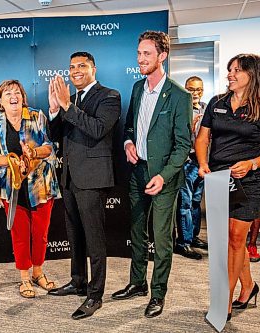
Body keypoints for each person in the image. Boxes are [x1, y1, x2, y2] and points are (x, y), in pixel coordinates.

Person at [112, 31, 192, 318]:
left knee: (161, 238)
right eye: (138, 53)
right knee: (136, 230)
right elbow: (131, 127)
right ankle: (137, 284)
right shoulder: (137, 88)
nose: (140, 59)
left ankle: (158, 293)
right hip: (138, 171)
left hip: (164, 177)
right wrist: (128, 143)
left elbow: (184, 145)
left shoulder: (179, 96)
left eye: (147, 53)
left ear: (162, 56)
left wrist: (165, 176)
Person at [195, 54, 260, 321]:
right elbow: (203, 138)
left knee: (233, 240)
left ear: (253, 75)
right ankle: (248, 287)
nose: (230, 74)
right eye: (230, 69)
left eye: (237, 70)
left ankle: (225, 303)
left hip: (250, 181)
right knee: (230, 241)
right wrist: (202, 163)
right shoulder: (216, 102)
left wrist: (252, 163)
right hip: (219, 179)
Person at [47, 51, 121, 320]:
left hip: (93, 178)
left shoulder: (109, 96)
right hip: (69, 176)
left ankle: (95, 294)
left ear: (93, 68)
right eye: (71, 67)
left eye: (81, 66)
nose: (75, 70)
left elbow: (98, 129)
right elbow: (56, 137)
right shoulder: (71, 99)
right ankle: (77, 281)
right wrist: (55, 111)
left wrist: (67, 107)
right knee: (74, 233)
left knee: (94, 238)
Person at [0, 79, 61, 298]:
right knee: (20, 235)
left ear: (23, 97)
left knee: (40, 234)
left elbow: (50, 147)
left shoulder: (37, 116)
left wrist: (32, 155)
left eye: (17, 92)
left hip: (40, 186)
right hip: (12, 187)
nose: (13, 97)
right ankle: (24, 278)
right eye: (8, 93)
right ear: (0, 101)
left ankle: (38, 273)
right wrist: (13, 161)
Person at [175, 76, 208, 260]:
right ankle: (183, 242)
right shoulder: (181, 109)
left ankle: (193, 237)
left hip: (202, 162)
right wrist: (190, 127)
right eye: (191, 89)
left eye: (199, 89)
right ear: (185, 89)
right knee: (185, 204)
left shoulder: (206, 108)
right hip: (187, 162)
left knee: (196, 202)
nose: (195, 93)